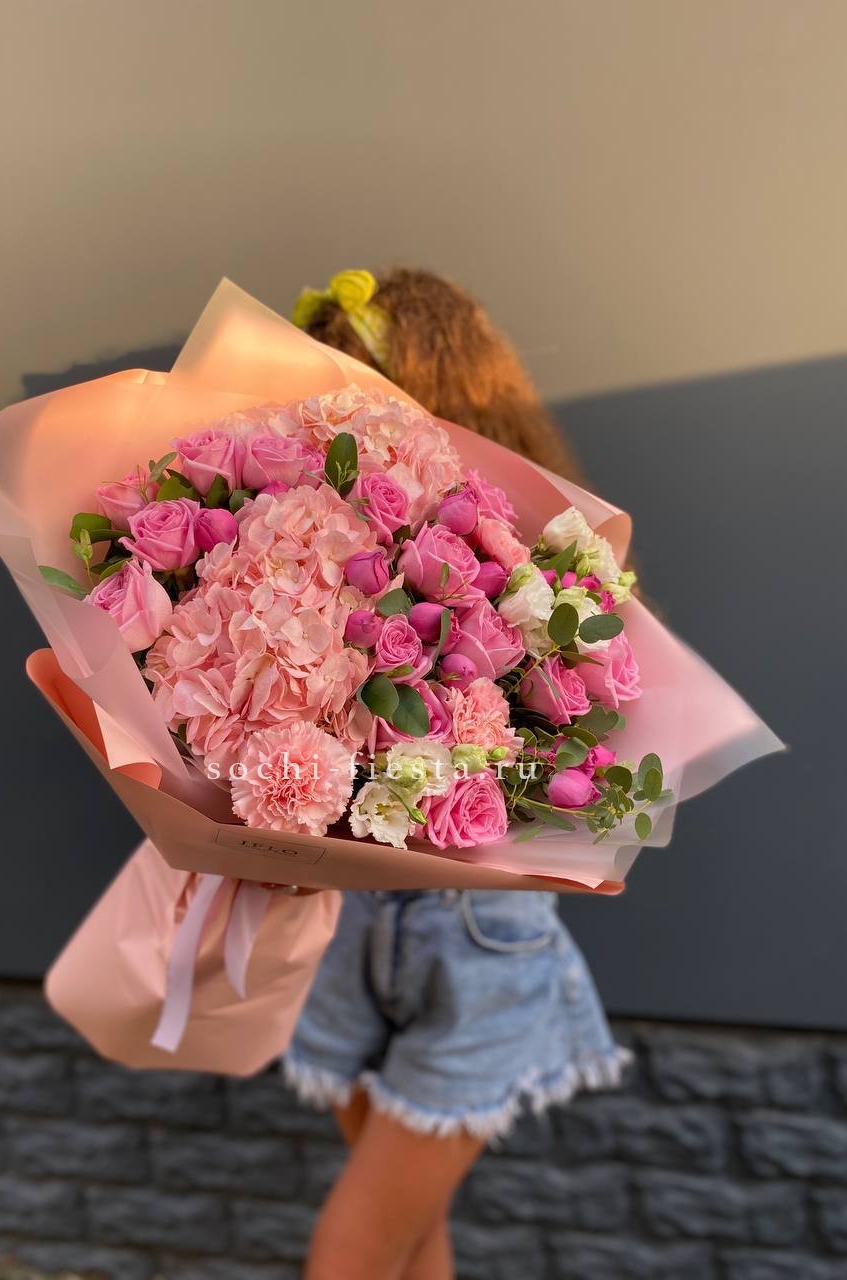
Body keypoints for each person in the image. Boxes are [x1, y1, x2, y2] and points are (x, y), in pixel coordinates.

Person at [281, 268, 631, 1280]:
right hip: (344, 922)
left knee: (350, 1250)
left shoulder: (541, 557)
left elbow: (580, 739)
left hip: (475, 935)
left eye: (349, 379)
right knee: (406, 1239)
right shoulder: (307, 532)